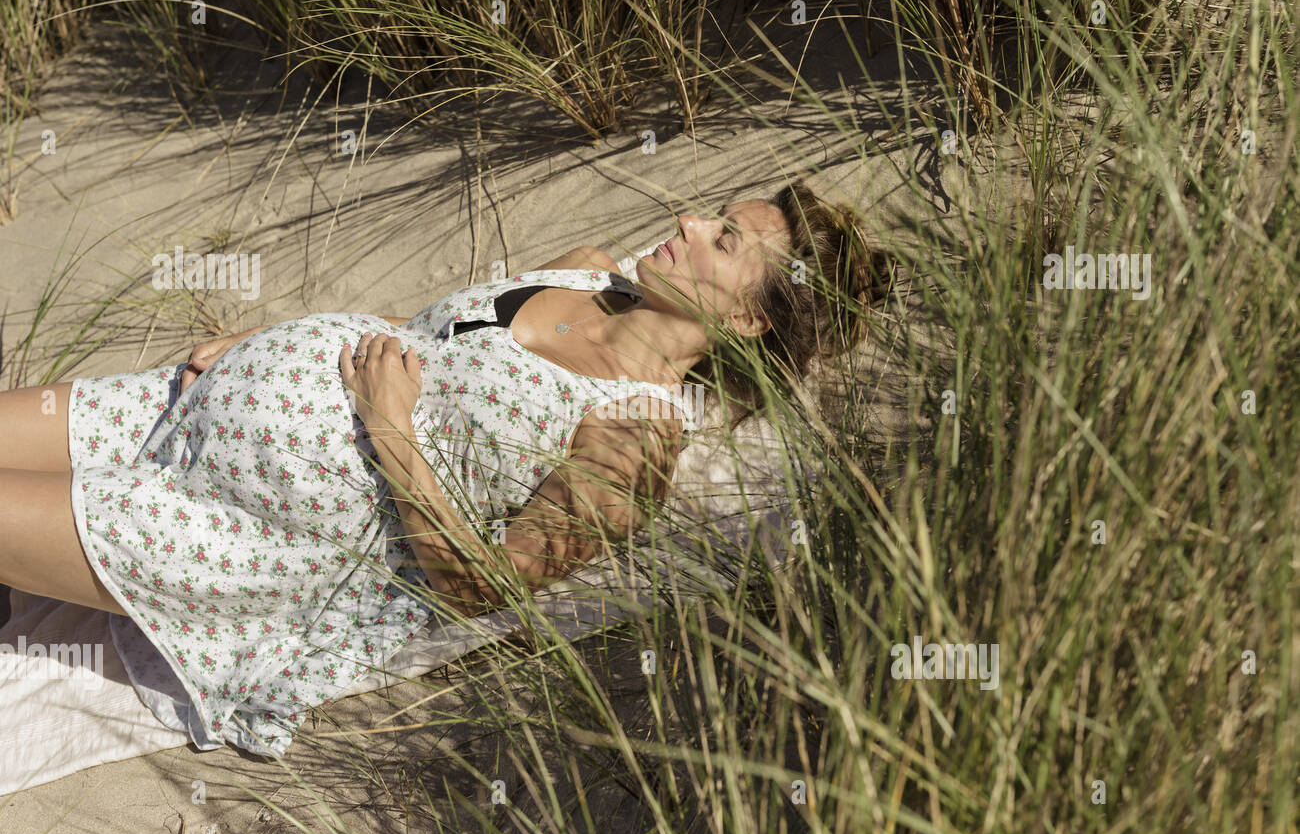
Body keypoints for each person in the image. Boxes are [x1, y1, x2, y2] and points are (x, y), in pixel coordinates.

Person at [0, 179, 875, 754]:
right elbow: (423, 337)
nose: (686, 222)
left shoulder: (634, 441)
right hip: (195, 396)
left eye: (721, 239)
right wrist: (263, 345)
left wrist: (393, 433)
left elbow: (483, 587)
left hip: (245, 530)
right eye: (708, 213)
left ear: (753, 323)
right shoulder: (589, 269)